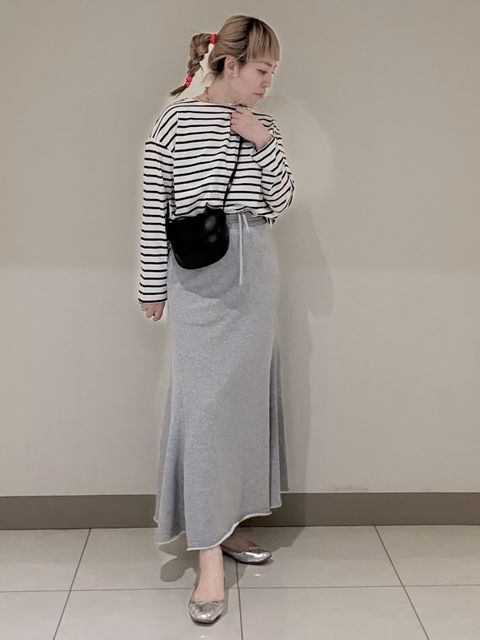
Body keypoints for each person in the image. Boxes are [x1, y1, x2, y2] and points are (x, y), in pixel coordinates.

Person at [138, 14, 295, 624]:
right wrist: (152, 287)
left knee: (241, 408)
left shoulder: (262, 125)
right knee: (203, 410)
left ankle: (227, 525)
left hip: (255, 273)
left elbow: (280, 203)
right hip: (199, 278)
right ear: (230, 64)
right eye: (262, 70)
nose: (268, 83)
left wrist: (261, 141)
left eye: (273, 73)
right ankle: (206, 555)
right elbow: (155, 208)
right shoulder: (174, 121)